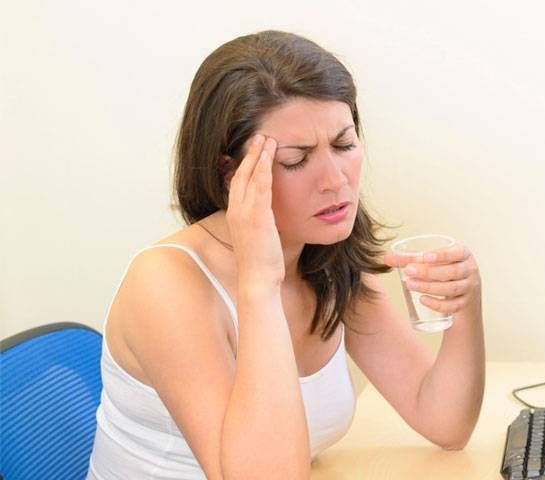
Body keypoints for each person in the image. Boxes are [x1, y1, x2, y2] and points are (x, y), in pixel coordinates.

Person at [86, 30, 485, 479]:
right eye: (297, 159)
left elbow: (445, 421)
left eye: (344, 144)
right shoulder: (164, 283)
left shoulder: (327, 259)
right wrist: (260, 285)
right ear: (230, 173)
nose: (336, 180)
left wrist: (464, 305)